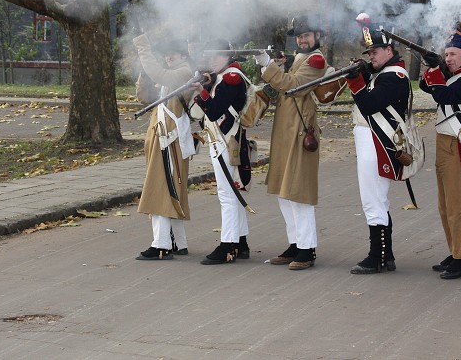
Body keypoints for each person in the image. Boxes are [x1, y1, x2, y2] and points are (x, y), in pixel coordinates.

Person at [254, 15, 327, 270]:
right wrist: (275, 66)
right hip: (287, 131)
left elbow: (292, 85)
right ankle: (295, 243)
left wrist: (268, 66)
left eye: (306, 35)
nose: (302, 40)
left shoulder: (316, 60)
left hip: (300, 132)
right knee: (284, 193)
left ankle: (307, 249)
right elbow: (283, 83)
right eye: (299, 36)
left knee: (299, 193)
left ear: (317, 37)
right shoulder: (299, 59)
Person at [346, 19, 411, 274]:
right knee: (376, 201)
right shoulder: (384, 73)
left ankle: (378, 256)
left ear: (389, 50)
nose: (371, 56)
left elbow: (369, 105)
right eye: (369, 52)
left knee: (373, 201)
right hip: (372, 141)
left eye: (375, 52)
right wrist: (362, 72)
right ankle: (386, 255)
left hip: (378, 142)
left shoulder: (394, 76)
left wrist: (356, 81)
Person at [419, 30, 461, 279]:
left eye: (453, 54)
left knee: (457, 206)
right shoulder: (453, 76)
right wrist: (432, 65)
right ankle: (455, 251)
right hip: (443, 142)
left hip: (457, 145)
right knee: (445, 205)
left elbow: (443, 96)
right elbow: (427, 86)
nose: (449, 59)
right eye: (446, 55)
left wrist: (437, 71)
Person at [133, 34, 194, 260]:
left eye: (173, 53)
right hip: (162, 141)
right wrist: (144, 71)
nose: (169, 56)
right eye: (167, 53)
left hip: (170, 143)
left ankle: (161, 244)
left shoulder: (184, 73)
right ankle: (179, 242)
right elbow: (145, 97)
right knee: (168, 191)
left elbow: (160, 74)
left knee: (158, 192)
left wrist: (143, 48)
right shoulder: (170, 78)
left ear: (183, 56)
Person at [191, 40, 251, 264]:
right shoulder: (225, 77)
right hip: (225, 140)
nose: (213, 60)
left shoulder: (231, 78)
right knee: (233, 193)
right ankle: (241, 243)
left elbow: (215, 111)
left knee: (227, 194)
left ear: (227, 57)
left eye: (217, 56)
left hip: (226, 140)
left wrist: (201, 91)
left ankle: (227, 245)